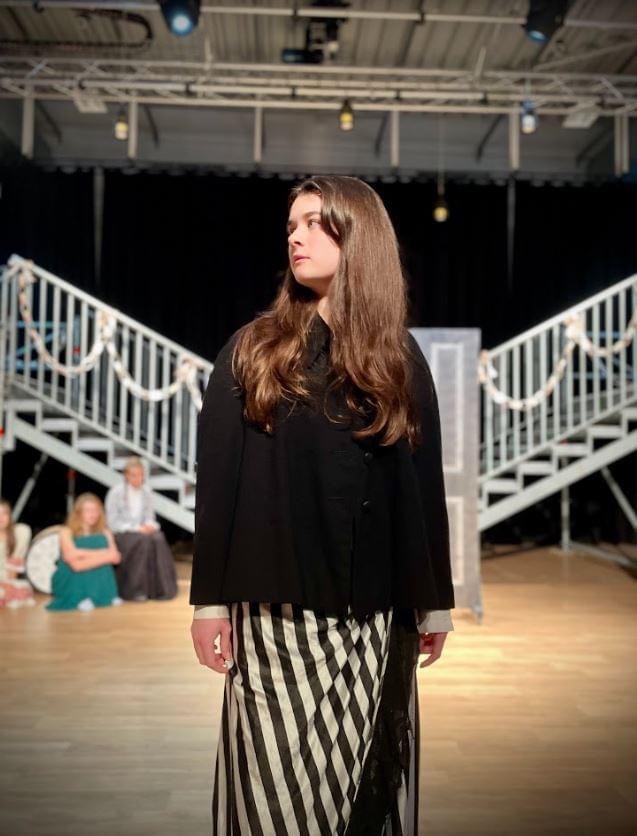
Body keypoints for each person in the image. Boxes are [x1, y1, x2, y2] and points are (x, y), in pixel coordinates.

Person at [190, 175, 455, 835]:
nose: (296, 237)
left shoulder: (396, 357)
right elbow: (218, 480)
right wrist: (209, 602)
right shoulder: (255, 349)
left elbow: (419, 487)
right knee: (271, 791)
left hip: (371, 617)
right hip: (277, 615)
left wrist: (434, 600)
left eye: (314, 222)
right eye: (291, 226)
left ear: (357, 234)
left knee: (352, 790)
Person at [104, 456, 177, 602]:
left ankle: (162, 589)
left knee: (158, 538)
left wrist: (149, 526)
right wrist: (137, 528)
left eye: (140, 475)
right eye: (134, 475)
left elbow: (150, 516)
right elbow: (112, 522)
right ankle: (136, 590)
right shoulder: (116, 492)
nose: (138, 478)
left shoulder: (146, 491)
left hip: (142, 532)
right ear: (126, 475)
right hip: (123, 533)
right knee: (142, 540)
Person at [47, 492, 123, 611]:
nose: (93, 514)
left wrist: (80, 553)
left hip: (91, 572)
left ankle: (103, 595)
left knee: (99, 540)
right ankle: (81, 597)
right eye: (88, 510)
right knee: (84, 561)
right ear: (79, 512)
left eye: (96, 510)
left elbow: (116, 558)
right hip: (69, 577)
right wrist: (103, 553)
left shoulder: (105, 531)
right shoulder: (66, 531)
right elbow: (75, 565)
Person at [0, 498, 35, 609]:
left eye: (4, 513)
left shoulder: (19, 532)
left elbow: (13, 567)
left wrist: (10, 585)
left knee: (24, 589)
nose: (1, 518)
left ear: (10, 516)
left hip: (7, 579)